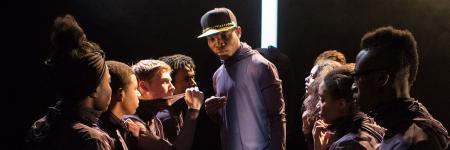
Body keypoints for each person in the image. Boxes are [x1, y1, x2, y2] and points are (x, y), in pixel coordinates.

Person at [198, 7, 286, 150]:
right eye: (212, 39)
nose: (219, 43)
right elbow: (227, 124)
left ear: (238, 32)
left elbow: (277, 118)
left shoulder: (261, 66)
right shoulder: (218, 75)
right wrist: (213, 113)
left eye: (225, 36)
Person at [353, 26, 450, 149]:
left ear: (381, 79)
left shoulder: (411, 141)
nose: (353, 86)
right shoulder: (404, 126)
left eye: (357, 77)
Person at [26, 14, 114, 150]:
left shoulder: (40, 127)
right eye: (108, 82)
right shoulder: (92, 140)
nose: (110, 88)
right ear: (95, 90)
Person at [125, 59, 203, 150]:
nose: (172, 88)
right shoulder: (132, 123)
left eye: (170, 81)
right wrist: (194, 110)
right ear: (143, 86)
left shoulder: (155, 120)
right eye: (165, 82)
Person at [312, 64, 384, 150]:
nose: (317, 105)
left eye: (322, 99)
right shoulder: (372, 125)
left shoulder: (346, 145)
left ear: (341, 104)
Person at [99, 60, 141, 150]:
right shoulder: (106, 134)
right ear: (120, 94)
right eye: (135, 89)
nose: (139, 94)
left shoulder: (124, 128)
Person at [157, 54, 197, 142]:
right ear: (170, 83)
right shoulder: (166, 117)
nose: (194, 83)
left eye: (193, 77)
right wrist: (194, 110)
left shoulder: (179, 108)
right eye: (187, 79)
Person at [302, 60, 341, 150]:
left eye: (312, 76)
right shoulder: (309, 105)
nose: (306, 79)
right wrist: (307, 132)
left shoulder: (329, 113)